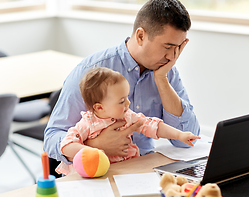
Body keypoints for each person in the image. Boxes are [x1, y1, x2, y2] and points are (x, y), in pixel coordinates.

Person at [44, 0, 200, 173]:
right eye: (167, 47)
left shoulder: (167, 71)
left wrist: (162, 80)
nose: (173, 57)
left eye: (178, 48)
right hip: (99, 174)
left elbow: (187, 141)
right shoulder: (91, 71)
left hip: (145, 170)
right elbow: (51, 138)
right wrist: (95, 145)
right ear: (140, 36)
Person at [55, 67, 200, 175]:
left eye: (127, 97)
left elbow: (152, 125)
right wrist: (93, 150)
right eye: (122, 101)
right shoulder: (87, 124)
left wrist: (179, 135)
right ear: (99, 108)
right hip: (96, 174)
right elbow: (66, 146)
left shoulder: (127, 116)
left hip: (125, 171)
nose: (128, 104)